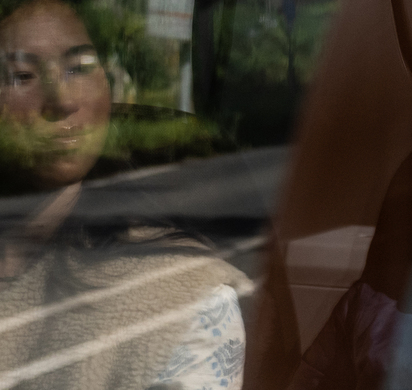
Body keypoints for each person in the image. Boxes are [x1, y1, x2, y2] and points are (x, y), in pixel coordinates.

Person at [0, 0, 248, 388]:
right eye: (24, 75)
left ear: (110, 88)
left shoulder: (180, 300)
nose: (62, 99)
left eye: (79, 68)